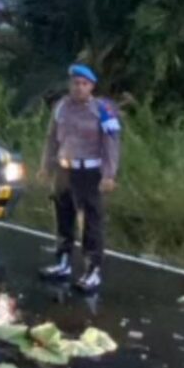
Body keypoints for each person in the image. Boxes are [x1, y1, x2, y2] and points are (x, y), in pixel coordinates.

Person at [38, 63, 120, 292]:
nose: (79, 88)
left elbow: (111, 145)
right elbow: (51, 138)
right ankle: (63, 262)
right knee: (63, 216)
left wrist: (109, 174)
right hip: (65, 169)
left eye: (84, 84)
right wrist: (46, 165)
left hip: (89, 171)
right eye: (75, 83)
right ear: (70, 84)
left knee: (91, 222)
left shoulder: (103, 110)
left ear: (92, 86)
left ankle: (92, 269)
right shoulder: (61, 107)